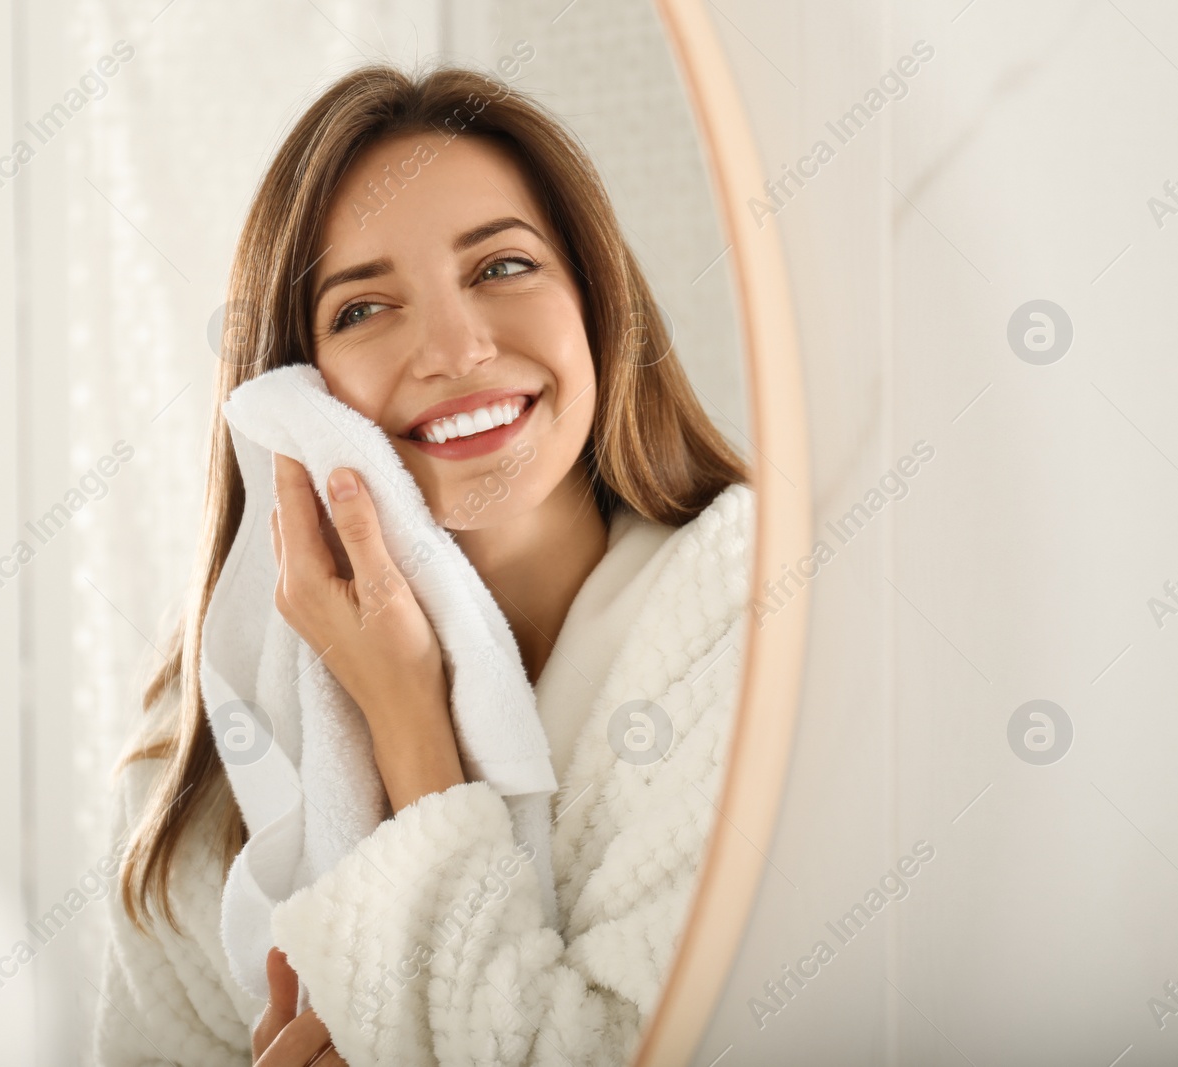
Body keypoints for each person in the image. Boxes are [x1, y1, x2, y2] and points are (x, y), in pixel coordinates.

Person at [94, 62, 754, 1067]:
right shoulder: (200, 763)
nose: (455, 348)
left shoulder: (743, 616)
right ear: (292, 392)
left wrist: (406, 711)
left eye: (502, 266)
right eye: (362, 309)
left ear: (597, 302)